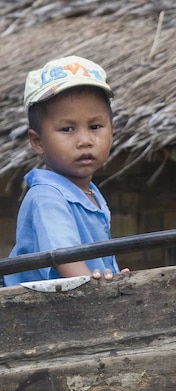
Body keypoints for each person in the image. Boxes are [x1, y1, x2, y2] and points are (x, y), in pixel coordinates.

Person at [4, 55, 128, 287]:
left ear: (112, 130)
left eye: (95, 127)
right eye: (67, 128)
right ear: (38, 141)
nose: (85, 140)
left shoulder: (88, 193)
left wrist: (114, 276)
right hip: (41, 315)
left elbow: (98, 264)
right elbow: (67, 260)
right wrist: (100, 288)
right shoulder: (47, 196)